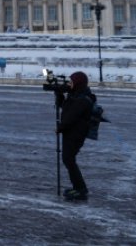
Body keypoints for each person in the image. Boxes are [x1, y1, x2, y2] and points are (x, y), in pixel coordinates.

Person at [56, 71, 95, 201]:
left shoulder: (83, 99)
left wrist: (60, 128)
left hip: (76, 134)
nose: (69, 84)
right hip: (71, 132)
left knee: (68, 159)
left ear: (78, 83)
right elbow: (65, 107)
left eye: (71, 82)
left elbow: (71, 116)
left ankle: (80, 189)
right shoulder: (76, 95)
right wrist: (59, 94)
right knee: (68, 159)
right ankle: (78, 187)